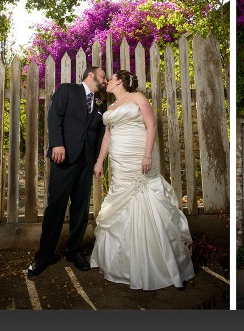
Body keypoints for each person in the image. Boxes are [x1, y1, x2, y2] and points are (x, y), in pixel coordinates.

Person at [89, 70, 195, 290]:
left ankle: (159, 263)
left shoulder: (137, 98)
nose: (106, 81)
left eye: (111, 78)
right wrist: (100, 161)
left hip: (139, 154)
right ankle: (123, 263)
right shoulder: (110, 108)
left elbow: (151, 125)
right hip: (120, 161)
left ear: (120, 81)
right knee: (122, 203)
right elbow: (108, 136)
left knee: (148, 198)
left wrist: (147, 154)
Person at [27, 66, 108, 277]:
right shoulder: (67, 90)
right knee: (56, 206)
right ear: (91, 75)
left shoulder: (101, 102)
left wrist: (98, 161)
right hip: (63, 157)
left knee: (80, 209)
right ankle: (43, 255)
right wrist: (56, 144)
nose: (105, 80)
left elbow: (100, 133)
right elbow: (55, 117)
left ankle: (74, 252)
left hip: (86, 162)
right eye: (102, 76)